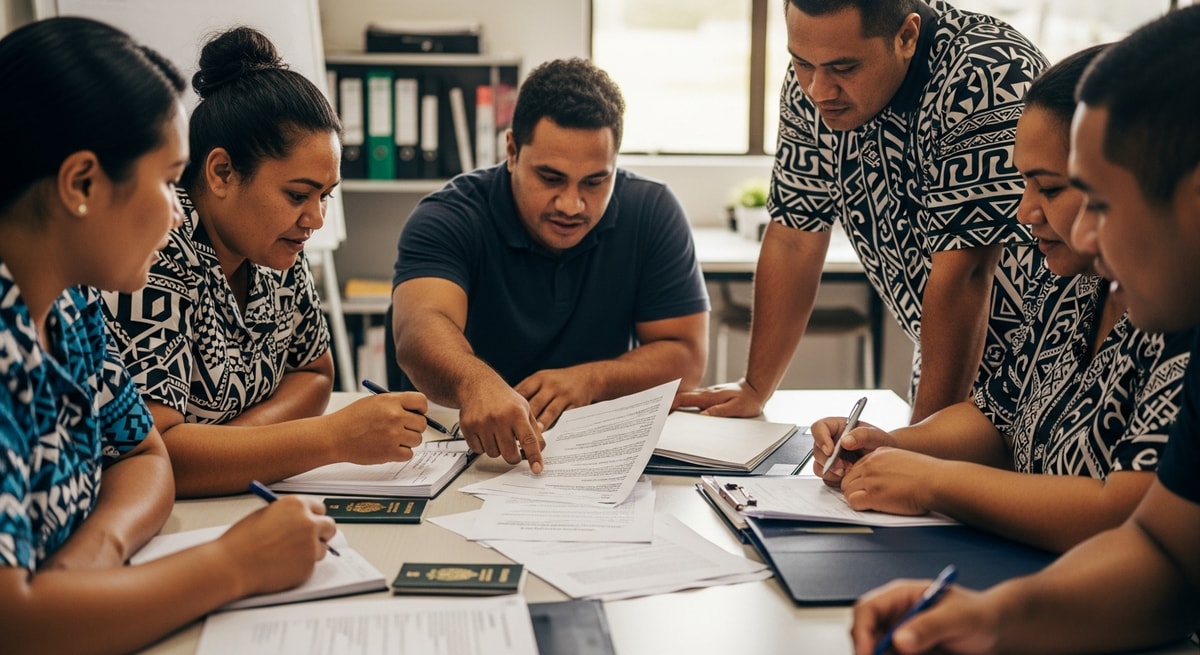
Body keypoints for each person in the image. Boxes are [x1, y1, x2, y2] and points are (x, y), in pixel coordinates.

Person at [852, 6, 1200, 653]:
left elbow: (1120, 510)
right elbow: (1165, 554)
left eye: (1099, 202)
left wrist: (932, 479)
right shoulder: (1087, 290)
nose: (1088, 237)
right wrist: (995, 617)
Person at [0, 17, 336, 654]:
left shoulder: (71, 311)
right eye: (164, 180)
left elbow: (142, 453)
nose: (178, 209)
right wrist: (233, 565)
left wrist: (89, 565)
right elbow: (14, 626)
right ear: (81, 185)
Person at [807, 44, 1190, 554]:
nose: (1024, 211)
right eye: (1023, 183)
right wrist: (890, 446)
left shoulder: (1177, 316)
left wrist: (932, 482)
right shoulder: (1068, 281)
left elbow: (1126, 514)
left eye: (1051, 190)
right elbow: (997, 413)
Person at [678, 0, 1047, 423]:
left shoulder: (984, 73)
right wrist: (755, 388)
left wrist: (919, 451)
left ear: (906, 37)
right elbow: (795, 236)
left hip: (1046, 370)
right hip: (946, 371)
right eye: (801, 63)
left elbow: (966, 274)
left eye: (845, 69)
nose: (819, 90)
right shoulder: (819, 83)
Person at [102, 26, 428, 497]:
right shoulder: (155, 253)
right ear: (221, 173)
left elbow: (315, 374)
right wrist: (330, 438)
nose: (315, 218)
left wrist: (233, 449)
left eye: (325, 196)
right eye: (298, 194)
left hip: (241, 499)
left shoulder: (275, 248)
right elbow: (156, 456)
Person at [391, 57, 710, 473]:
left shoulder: (652, 210)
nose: (572, 205)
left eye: (595, 182)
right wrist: (476, 384)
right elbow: (418, 330)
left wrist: (592, 379)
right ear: (511, 150)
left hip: (590, 457)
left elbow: (686, 358)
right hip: (455, 450)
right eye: (551, 178)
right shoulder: (448, 217)